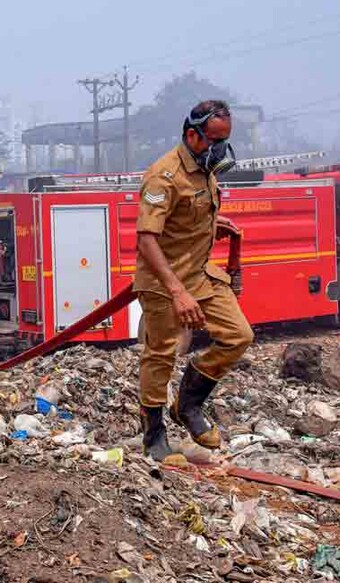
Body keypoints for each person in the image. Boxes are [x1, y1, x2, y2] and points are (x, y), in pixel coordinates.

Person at [134, 100, 254, 466]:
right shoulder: (164, 175)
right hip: (164, 282)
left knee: (239, 336)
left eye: (226, 140)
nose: (221, 149)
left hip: (200, 275)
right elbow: (147, 238)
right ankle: (154, 436)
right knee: (162, 354)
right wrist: (176, 291)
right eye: (215, 139)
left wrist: (212, 226)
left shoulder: (206, 170)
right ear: (192, 134)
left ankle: (187, 404)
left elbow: (185, 217)